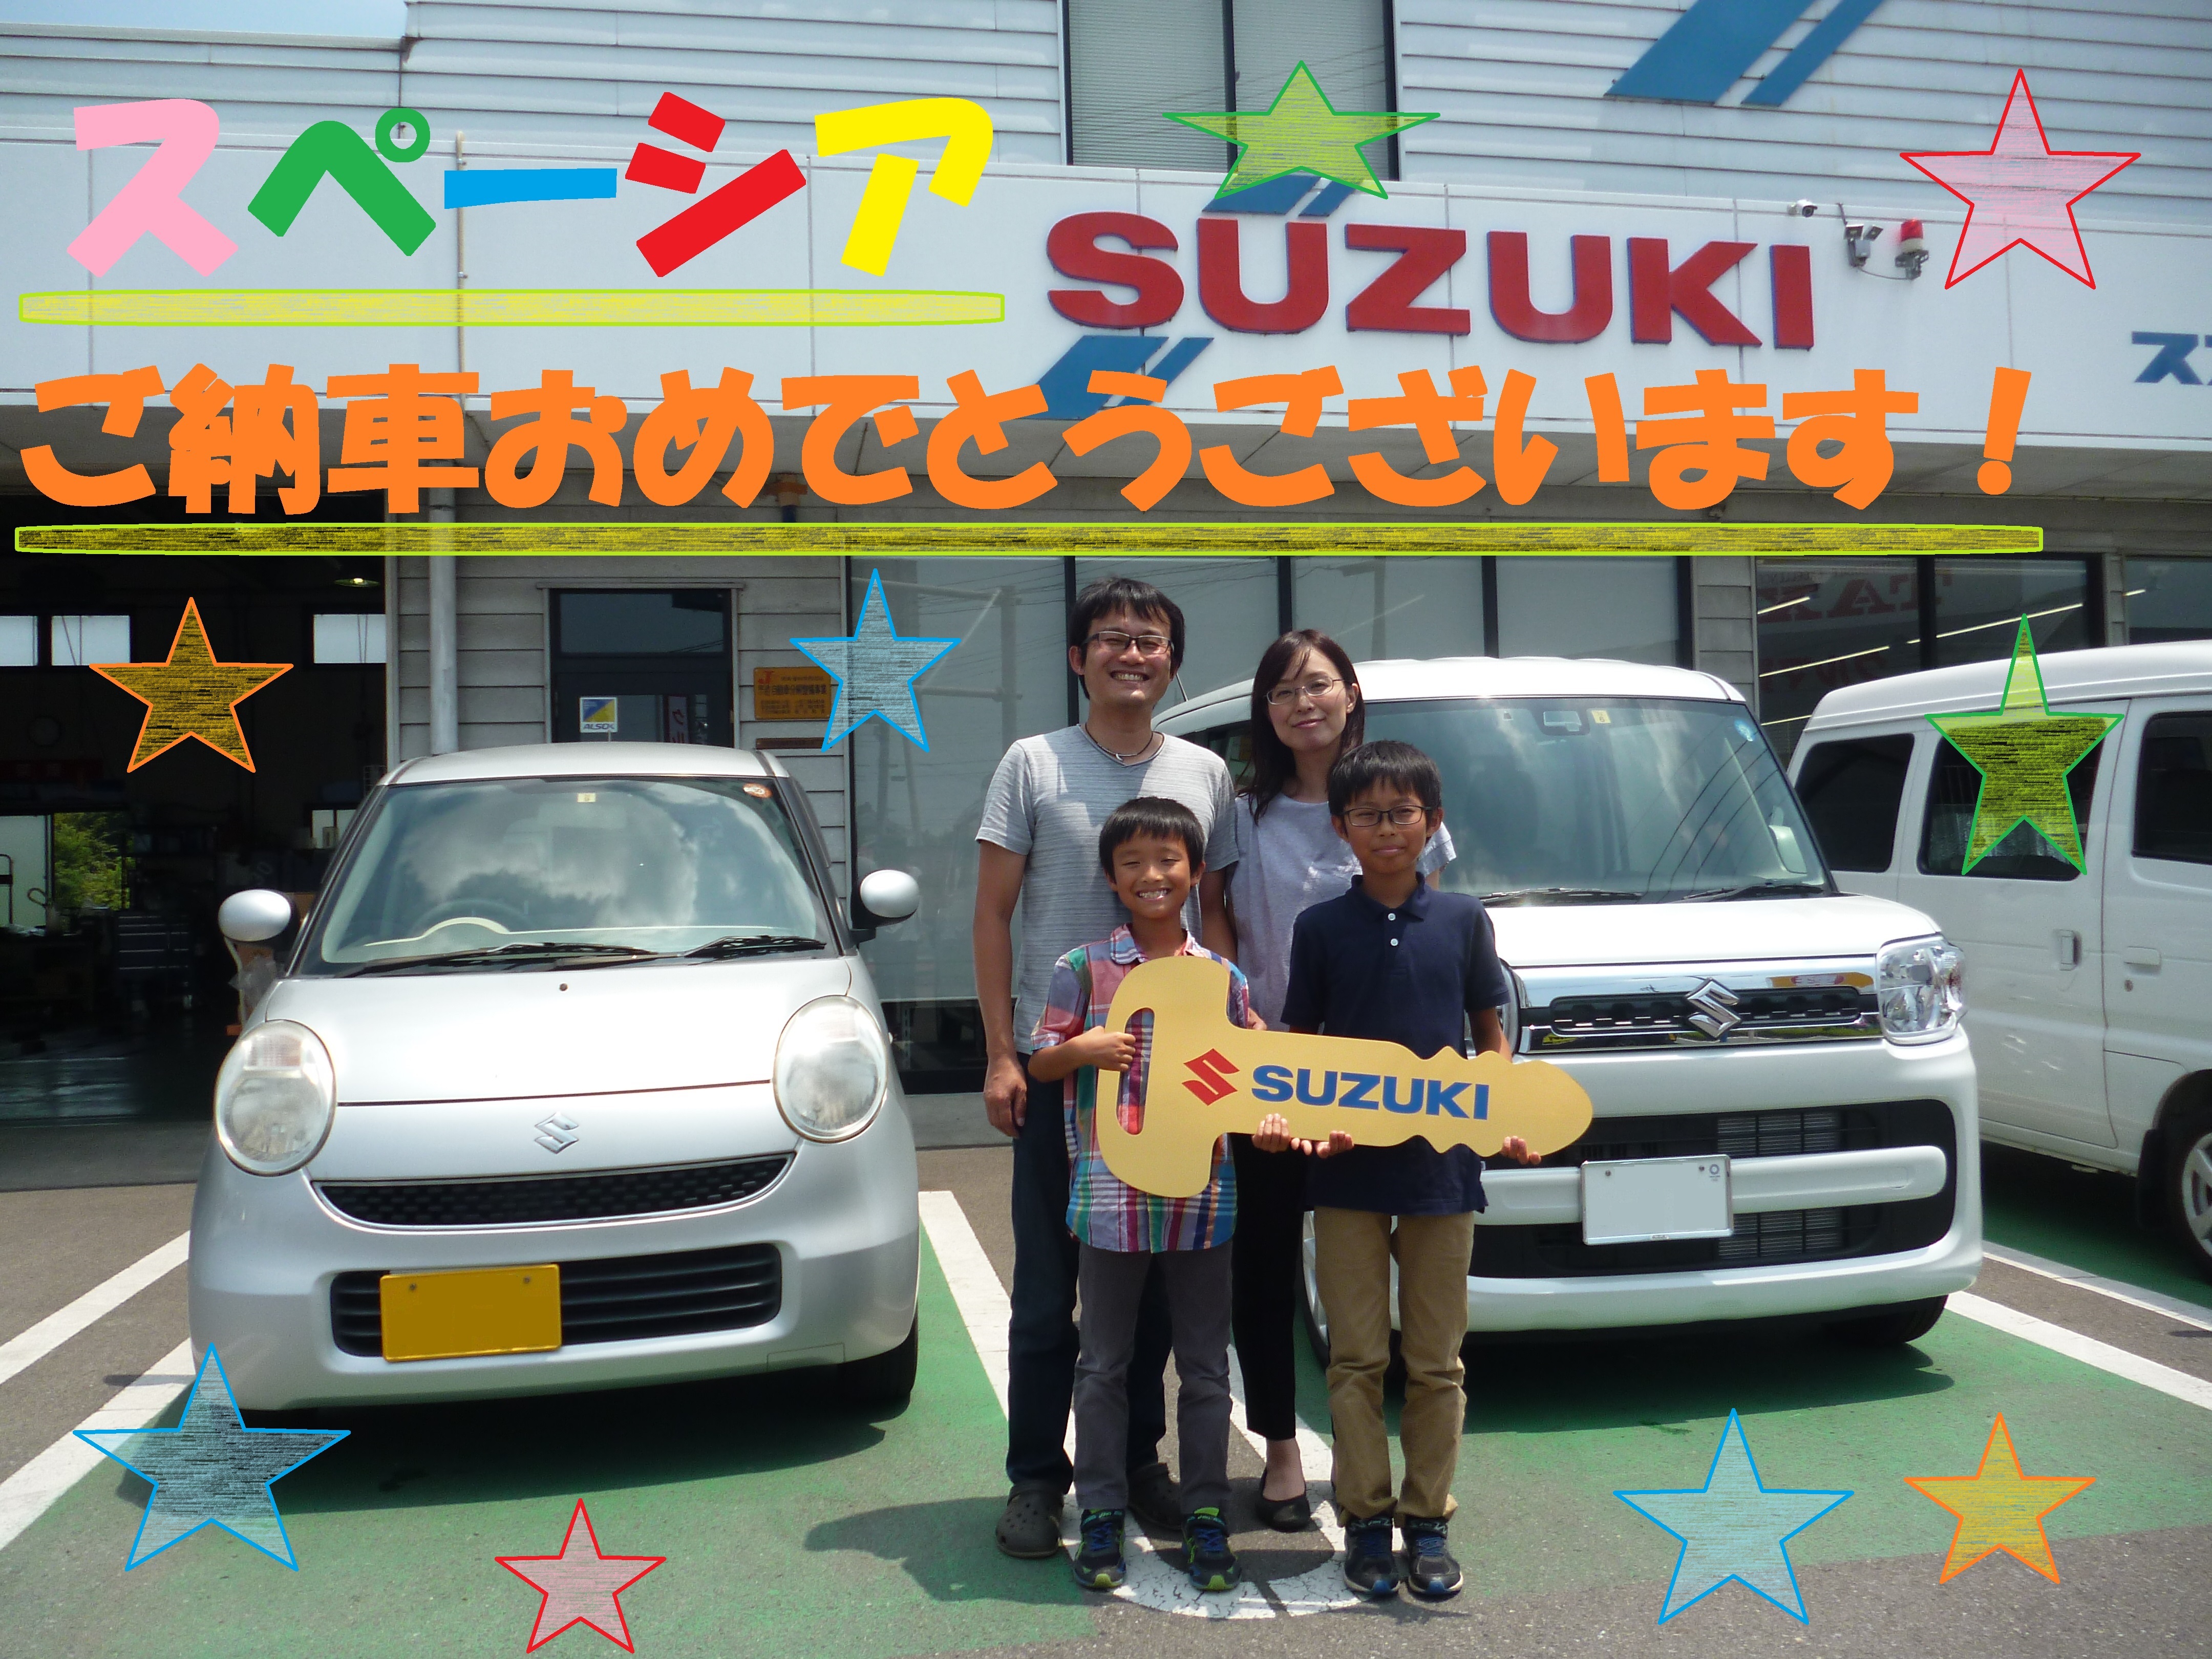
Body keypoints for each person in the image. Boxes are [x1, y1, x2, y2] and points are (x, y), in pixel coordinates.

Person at [973, 576, 1241, 1560]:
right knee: (1050, 1294)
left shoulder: (1204, 772)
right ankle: (1037, 1480)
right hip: (1063, 1069)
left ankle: (1134, 1465)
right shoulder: (1032, 763)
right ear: (1078, 658)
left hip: (1171, 1083)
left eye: (1151, 640)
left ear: (1174, 661)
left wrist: (1235, 1052)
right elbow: (992, 913)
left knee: (1159, 1292)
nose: (1133, 654)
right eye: (1114, 639)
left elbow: (1217, 917)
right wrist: (1004, 1055)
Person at [1278, 740, 1540, 1601]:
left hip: (1441, 1173)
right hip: (1346, 1175)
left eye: (1402, 813)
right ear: (1340, 827)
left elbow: (1488, 1036)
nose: (1386, 829)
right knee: (1356, 1360)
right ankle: (1364, 1520)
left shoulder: (1464, 920)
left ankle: (1427, 1521)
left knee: (1436, 1361)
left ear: (1433, 823)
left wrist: (1503, 1116)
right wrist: (1305, 1127)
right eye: (1367, 815)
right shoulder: (1319, 928)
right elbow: (1301, 1052)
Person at [1219, 631, 1455, 1531]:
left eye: (1317, 685)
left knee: (1387, 1270)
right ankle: (1282, 1450)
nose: (1301, 704)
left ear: (1351, 693)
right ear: (1266, 711)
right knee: (1265, 1264)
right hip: (1274, 1067)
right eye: (1282, 691)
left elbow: (1433, 920)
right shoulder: (1245, 812)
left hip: (1386, 1082)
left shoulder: (1394, 792)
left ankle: (1413, 1480)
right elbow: (1215, 912)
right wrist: (1244, 1019)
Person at [1029, 798, 1250, 1592]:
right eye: (1133, 863)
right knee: (1103, 1364)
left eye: (1168, 861)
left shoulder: (1223, 978)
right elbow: (1042, 1060)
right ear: (1111, 878)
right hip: (1110, 1198)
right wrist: (1082, 1048)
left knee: (1205, 1369)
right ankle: (1100, 1509)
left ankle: (1206, 1511)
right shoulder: (1083, 968)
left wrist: (1280, 1108)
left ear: (1196, 872)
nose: (1152, 875)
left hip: (1203, 1200)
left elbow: (1251, 1074)